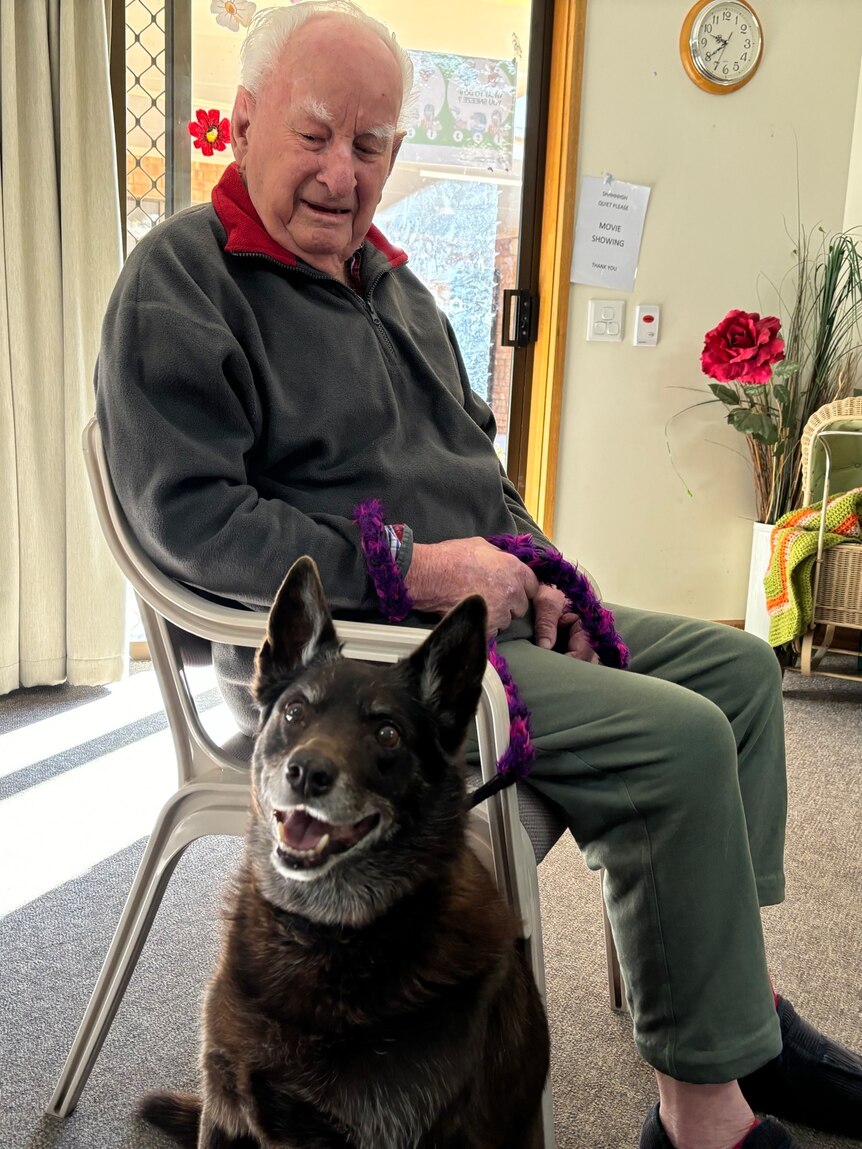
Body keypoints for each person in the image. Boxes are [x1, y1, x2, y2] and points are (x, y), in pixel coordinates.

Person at [95, 3, 862, 1146]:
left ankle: (738, 1015)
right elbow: (190, 522)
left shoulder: (393, 287)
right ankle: (702, 1111)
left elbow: (473, 464)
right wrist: (404, 568)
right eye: (314, 135)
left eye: (371, 146)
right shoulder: (181, 279)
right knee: (678, 739)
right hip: (358, 662)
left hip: (469, 620)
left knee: (741, 673)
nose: (341, 173)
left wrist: (535, 565)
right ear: (245, 121)